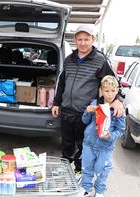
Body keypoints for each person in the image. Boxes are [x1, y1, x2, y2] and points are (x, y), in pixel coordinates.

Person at [51, 24, 124, 176]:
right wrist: (56, 102)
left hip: (86, 113)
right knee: (66, 142)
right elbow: (62, 82)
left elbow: (111, 81)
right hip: (66, 110)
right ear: (75, 41)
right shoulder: (69, 59)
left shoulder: (100, 60)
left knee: (83, 144)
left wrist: (117, 98)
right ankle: (65, 167)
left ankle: (79, 169)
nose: (83, 43)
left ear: (93, 39)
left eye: (86, 39)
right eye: (79, 39)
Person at [79, 75, 126, 197]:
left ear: (117, 91)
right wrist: (87, 111)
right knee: (87, 168)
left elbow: (120, 130)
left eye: (113, 91)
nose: (110, 94)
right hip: (89, 143)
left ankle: (99, 191)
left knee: (102, 171)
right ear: (101, 90)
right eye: (106, 91)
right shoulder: (95, 103)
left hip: (105, 147)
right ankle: (86, 188)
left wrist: (110, 137)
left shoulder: (118, 109)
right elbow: (85, 121)